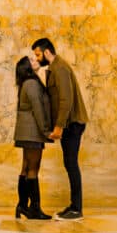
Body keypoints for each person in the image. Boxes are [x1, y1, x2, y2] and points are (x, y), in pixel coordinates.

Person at [31, 37, 88, 220]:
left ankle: (77, 209)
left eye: (38, 54)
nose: (37, 57)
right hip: (69, 123)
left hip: (72, 123)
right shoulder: (54, 68)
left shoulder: (60, 68)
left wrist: (59, 126)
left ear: (47, 52)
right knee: (69, 163)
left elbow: (66, 99)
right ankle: (74, 206)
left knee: (71, 164)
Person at [13, 56, 52, 220]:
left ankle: (22, 205)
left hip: (25, 131)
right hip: (32, 132)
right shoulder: (32, 84)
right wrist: (46, 131)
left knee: (26, 167)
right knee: (33, 168)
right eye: (32, 60)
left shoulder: (26, 83)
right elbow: (38, 108)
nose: (36, 60)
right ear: (27, 67)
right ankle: (34, 209)